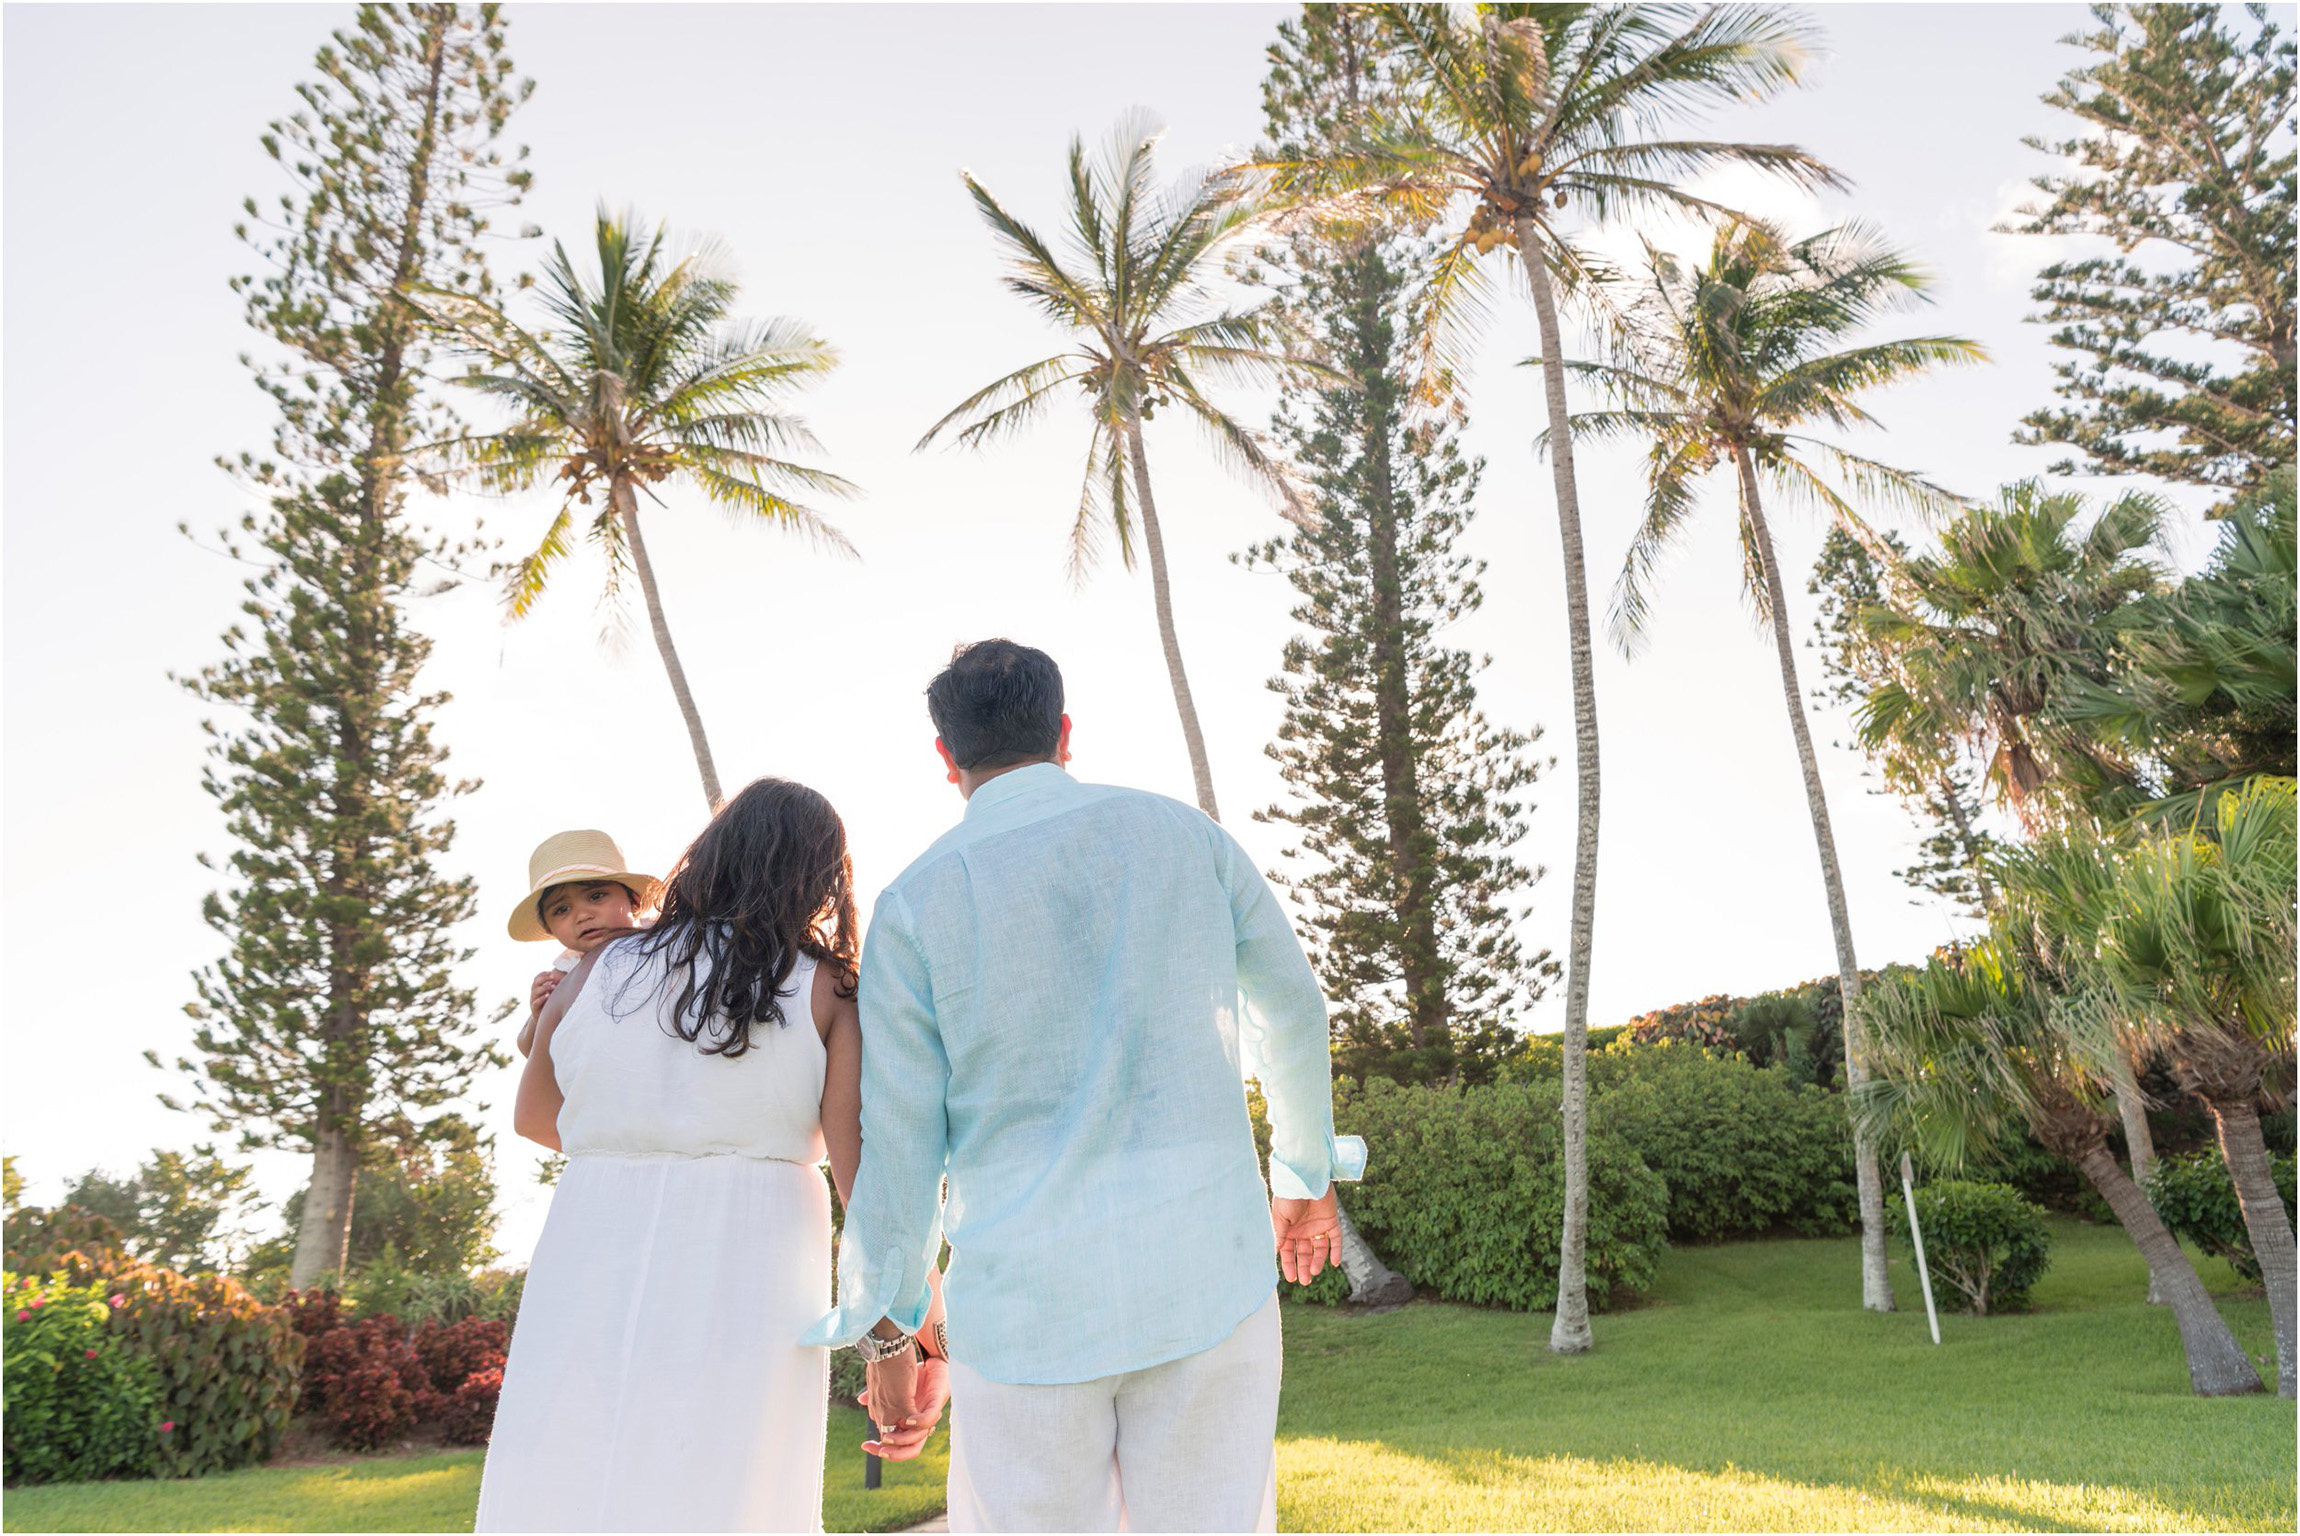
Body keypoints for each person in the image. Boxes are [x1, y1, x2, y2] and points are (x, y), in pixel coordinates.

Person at [808, 639, 1363, 1533]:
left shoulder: (913, 906)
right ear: (1064, 732)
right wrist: (1301, 1177)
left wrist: (891, 1330)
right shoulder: (1186, 835)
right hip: (1206, 1276)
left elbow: (900, 1146)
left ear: (946, 759)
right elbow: (1292, 1009)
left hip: (1024, 1311)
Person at [479, 780, 945, 1532]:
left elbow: (535, 1117)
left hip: (591, 1236)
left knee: (572, 1470)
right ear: (819, 876)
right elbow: (866, 1179)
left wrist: (636, 1147)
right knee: (725, 1484)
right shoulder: (826, 986)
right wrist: (896, 1343)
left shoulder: (597, 969)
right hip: (749, 1252)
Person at [504, 829, 663, 1058]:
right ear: (549, 928)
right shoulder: (566, 971)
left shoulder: (660, 937)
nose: (582, 915)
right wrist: (540, 1016)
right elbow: (528, 1048)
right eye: (562, 910)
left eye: (596, 896)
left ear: (634, 901)